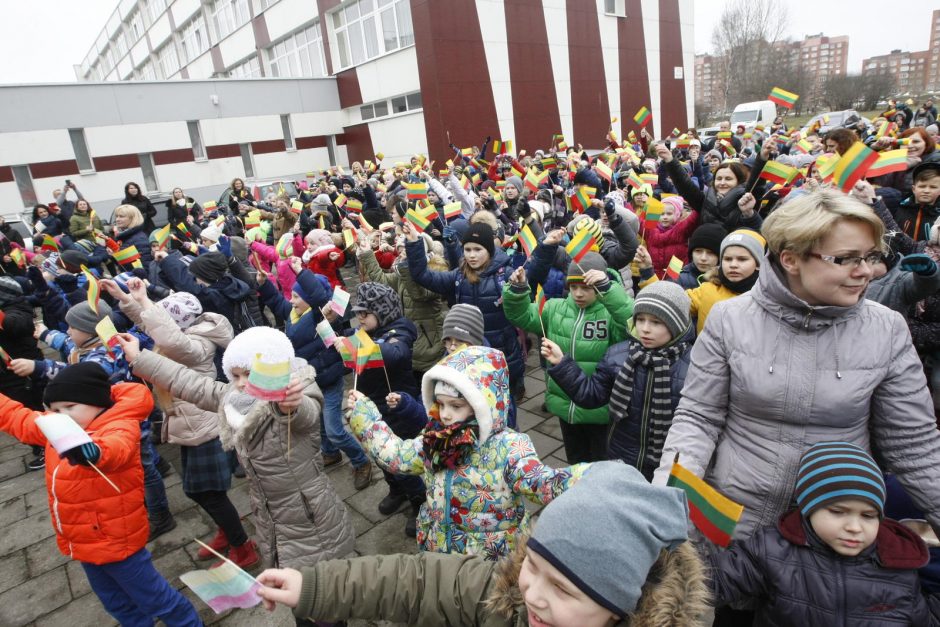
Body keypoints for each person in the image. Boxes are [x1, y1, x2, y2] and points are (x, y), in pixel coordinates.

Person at [653, 189, 940, 550]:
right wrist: (665, 505)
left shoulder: (887, 329)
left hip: (828, 540)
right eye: (846, 258)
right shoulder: (730, 319)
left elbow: (914, 446)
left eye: (870, 256)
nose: (865, 271)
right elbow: (698, 418)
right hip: (736, 527)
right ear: (791, 259)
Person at [256, 461, 710, 627]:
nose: (532, 593)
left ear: (624, 605)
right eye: (534, 566)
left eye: (564, 589)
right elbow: (413, 582)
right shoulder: (504, 597)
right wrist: (312, 587)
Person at [117, 327, 357, 578]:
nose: (241, 383)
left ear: (273, 368)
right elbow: (191, 383)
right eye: (235, 375)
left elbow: (307, 416)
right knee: (291, 581)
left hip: (309, 513)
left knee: (323, 583)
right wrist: (139, 357)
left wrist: (291, 408)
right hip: (270, 515)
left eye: (249, 374)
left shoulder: (296, 390)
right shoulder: (234, 399)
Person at [0, 363, 201, 626]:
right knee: (114, 601)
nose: (61, 415)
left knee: (155, 598)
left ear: (97, 403)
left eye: (70, 407)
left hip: (117, 540)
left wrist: (92, 451)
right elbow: (18, 418)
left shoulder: (119, 425)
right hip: (82, 540)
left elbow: (114, 449)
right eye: (55, 409)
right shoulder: (58, 428)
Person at [346, 345, 589, 559]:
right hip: (439, 549)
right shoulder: (436, 439)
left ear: (482, 405)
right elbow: (398, 456)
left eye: (456, 406)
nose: (445, 414)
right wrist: (365, 416)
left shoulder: (510, 447)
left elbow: (541, 482)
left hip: (489, 562)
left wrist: (592, 478)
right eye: (440, 403)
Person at [103, 280, 259, 568]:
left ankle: (243, 546)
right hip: (191, 428)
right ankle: (229, 531)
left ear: (176, 323)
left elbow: (169, 338)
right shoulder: (183, 334)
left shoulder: (195, 344)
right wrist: (127, 299)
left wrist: (147, 303)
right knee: (198, 491)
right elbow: (158, 328)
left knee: (209, 494)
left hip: (205, 429)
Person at [709, 442, 940, 625]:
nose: (855, 527)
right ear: (808, 508)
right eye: (838, 511)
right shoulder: (772, 550)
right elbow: (710, 583)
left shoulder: (899, 568)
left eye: (868, 516)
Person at [543, 282, 693, 479]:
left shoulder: (695, 366)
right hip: (621, 456)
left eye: (656, 322)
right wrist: (562, 363)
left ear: (678, 324)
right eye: (640, 319)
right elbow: (591, 395)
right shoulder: (619, 355)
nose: (645, 329)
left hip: (668, 465)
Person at [503, 253, 634, 463]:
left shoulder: (610, 314)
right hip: (565, 404)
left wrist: (610, 291)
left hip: (599, 410)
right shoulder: (554, 308)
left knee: (601, 462)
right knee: (575, 460)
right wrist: (517, 291)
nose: (579, 294)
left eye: (587, 287)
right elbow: (523, 316)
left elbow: (630, 320)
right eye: (574, 287)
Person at [256, 258, 373, 491]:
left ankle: (361, 461)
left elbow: (320, 298)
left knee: (335, 430)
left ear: (309, 299)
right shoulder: (293, 314)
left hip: (329, 380)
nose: (292, 299)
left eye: (297, 296)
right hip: (311, 381)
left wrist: (300, 272)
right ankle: (330, 453)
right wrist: (264, 283)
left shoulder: (322, 314)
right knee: (319, 425)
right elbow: (277, 302)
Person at [405, 220, 527, 403]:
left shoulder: (505, 274)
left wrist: (520, 286)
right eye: (467, 249)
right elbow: (423, 276)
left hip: (501, 351)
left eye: (478, 250)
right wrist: (414, 243)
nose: (472, 255)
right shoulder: (458, 276)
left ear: (489, 250)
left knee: (503, 402)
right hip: (469, 353)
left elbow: (525, 299)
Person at [636, 228, 766, 335]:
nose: (733, 265)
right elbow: (665, 302)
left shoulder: (769, 298)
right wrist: (647, 271)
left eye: (742, 259)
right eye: (727, 259)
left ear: (759, 264)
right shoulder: (707, 289)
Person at [656, 142, 765, 233]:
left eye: (728, 179)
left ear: (738, 181)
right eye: (719, 178)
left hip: (731, 255)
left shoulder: (746, 199)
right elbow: (685, 185)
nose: (722, 182)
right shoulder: (706, 200)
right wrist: (670, 160)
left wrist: (762, 158)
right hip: (707, 254)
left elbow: (757, 185)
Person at [671, 223, 727, 289]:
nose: (703, 258)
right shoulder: (677, 277)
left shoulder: (731, 279)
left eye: (710, 253)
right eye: (698, 251)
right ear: (691, 253)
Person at [111, 204, 154, 271]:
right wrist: (113, 255)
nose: (117, 219)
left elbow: (146, 267)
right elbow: (124, 265)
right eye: (117, 216)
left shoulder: (139, 239)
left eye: (121, 216)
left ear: (132, 218)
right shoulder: (125, 237)